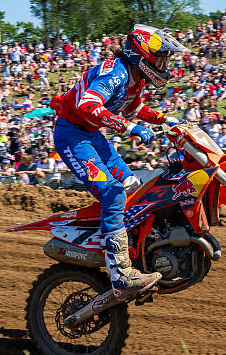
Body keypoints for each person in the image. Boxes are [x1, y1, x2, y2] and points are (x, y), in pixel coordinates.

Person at [50, 24, 189, 302]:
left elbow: (134, 108)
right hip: (72, 136)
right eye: (160, 59)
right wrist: (129, 128)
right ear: (142, 56)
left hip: (92, 135)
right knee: (113, 193)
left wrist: (164, 120)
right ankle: (121, 276)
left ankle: (136, 258)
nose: (164, 66)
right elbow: (88, 105)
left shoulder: (134, 78)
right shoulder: (115, 72)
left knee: (133, 187)